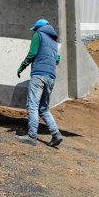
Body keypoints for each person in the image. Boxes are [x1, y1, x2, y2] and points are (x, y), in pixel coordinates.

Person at [15, 18, 63, 147]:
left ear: (38, 28)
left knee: (33, 105)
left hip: (39, 75)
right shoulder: (54, 41)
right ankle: (56, 134)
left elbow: (32, 53)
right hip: (51, 77)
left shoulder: (38, 35)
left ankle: (31, 136)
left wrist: (22, 66)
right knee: (43, 108)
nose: (34, 32)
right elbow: (57, 59)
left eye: (34, 29)